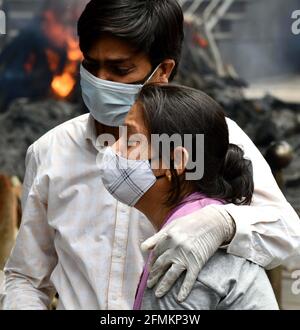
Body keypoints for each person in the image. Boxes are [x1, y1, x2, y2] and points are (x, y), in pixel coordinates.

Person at [1, 0, 299, 310]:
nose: (101, 80)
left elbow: (288, 236)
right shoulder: (52, 151)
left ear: (163, 71)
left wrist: (223, 223)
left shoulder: (211, 137)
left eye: (120, 69)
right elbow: (26, 277)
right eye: (91, 65)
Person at [98, 83, 279, 310]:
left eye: (131, 139)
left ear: (174, 162)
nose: (113, 148)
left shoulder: (182, 250)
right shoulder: (200, 216)